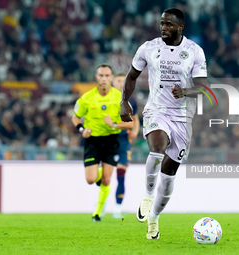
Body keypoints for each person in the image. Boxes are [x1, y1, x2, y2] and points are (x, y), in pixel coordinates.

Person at [120, 8, 207, 239]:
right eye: (161, 23)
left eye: (169, 24)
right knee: (156, 149)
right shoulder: (149, 48)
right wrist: (124, 102)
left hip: (182, 116)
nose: (163, 28)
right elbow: (131, 76)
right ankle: (147, 196)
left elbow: (203, 88)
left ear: (180, 27)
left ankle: (154, 219)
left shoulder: (194, 51)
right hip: (157, 109)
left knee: (169, 176)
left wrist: (186, 91)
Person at [72, 63, 134, 222]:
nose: (104, 78)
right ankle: (98, 173)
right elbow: (75, 117)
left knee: (106, 179)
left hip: (112, 141)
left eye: (107, 76)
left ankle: (97, 212)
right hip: (93, 141)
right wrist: (81, 130)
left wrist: (113, 125)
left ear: (111, 78)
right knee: (91, 179)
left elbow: (130, 123)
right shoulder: (86, 98)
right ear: (96, 77)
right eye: (101, 75)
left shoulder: (120, 98)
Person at [111, 73, 140, 219]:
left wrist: (134, 131)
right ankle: (101, 206)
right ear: (113, 82)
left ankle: (117, 207)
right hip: (107, 140)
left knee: (121, 175)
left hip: (123, 141)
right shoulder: (107, 100)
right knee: (105, 175)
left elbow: (135, 119)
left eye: (123, 81)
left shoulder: (131, 100)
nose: (121, 83)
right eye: (118, 81)